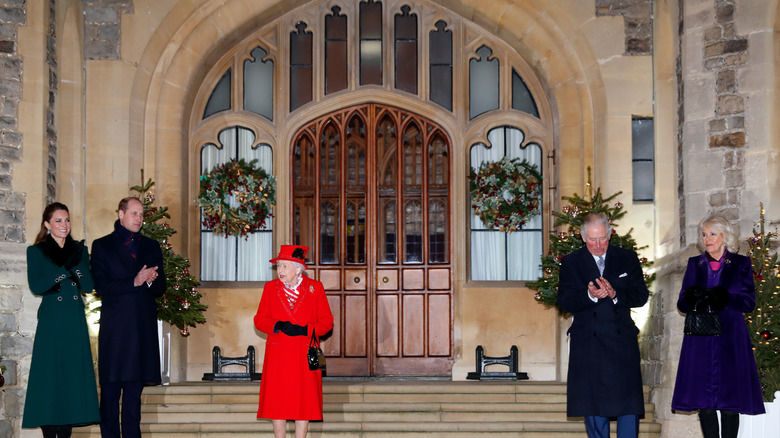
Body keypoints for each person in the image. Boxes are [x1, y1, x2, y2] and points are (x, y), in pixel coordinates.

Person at [557, 212, 649, 438]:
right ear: (582, 237)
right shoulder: (571, 262)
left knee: (628, 407)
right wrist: (590, 296)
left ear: (609, 234)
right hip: (589, 343)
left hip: (621, 343)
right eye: (592, 240)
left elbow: (641, 295)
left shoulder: (627, 257)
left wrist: (615, 293)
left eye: (602, 239)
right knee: (593, 405)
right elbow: (564, 301)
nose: (598, 245)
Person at [671, 215, 765, 438]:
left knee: (730, 398)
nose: (707, 238)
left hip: (730, 337)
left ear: (725, 236)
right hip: (700, 339)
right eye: (704, 234)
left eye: (712, 233)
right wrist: (696, 297)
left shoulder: (741, 263)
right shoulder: (696, 263)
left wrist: (723, 297)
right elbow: (682, 303)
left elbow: (749, 302)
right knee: (705, 400)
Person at [22, 202, 101, 438]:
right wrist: (64, 270)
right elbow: (37, 286)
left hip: (74, 322)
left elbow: (88, 286)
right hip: (51, 323)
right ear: (47, 224)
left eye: (67, 220)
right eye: (58, 220)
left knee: (71, 381)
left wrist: (74, 265)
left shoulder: (79, 250)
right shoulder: (36, 251)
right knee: (49, 381)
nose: (64, 225)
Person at [91, 197, 166, 438]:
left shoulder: (151, 246)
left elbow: (161, 286)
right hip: (116, 329)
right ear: (121, 214)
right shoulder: (102, 245)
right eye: (134, 213)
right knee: (110, 392)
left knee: (134, 394)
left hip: (141, 328)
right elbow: (100, 286)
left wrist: (151, 280)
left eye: (141, 214)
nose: (139, 218)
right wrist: (134, 281)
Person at [253, 245, 334, 438]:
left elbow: (327, 322)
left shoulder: (315, 288)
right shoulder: (270, 288)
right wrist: (278, 325)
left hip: (306, 351)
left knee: (304, 401)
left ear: (298, 268)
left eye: (284, 266)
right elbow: (259, 319)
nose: (280, 271)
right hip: (278, 353)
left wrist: (306, 329)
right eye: (279, 266)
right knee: (277, 401)